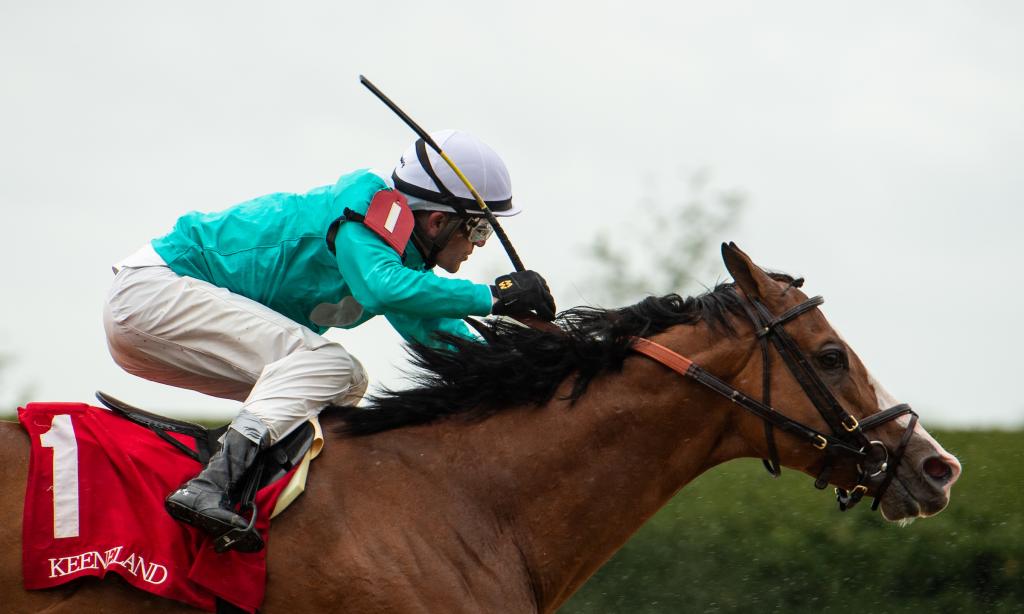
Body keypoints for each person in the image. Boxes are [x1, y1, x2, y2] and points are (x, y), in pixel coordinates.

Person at [102, 129, 556, 551]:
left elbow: (439, 337)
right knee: (339, 371)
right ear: (438, 221)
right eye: (478, 229)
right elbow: (382, 287)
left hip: (156, 315)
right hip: (156, 292)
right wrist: (494, 296)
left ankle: (246, 498)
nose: (478, 245)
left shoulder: (395, 254)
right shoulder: (366, 214)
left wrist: (526, 365)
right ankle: (211, 485)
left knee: (331, 390)